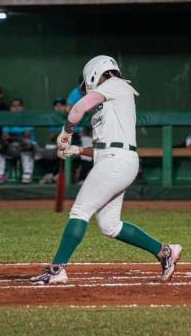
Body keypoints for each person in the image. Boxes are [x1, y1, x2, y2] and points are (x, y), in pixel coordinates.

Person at [30, 55, 182, 285]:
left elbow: (78, 109)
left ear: (95, 73)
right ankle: (165, 252)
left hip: (116, 162)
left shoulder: (115, 85)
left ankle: (57, 268)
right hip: (115, 159)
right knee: (110, 225)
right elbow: (106, 146)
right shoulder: (114, 98)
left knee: (80, 211)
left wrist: (66, 132)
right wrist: (76, 150)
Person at [0, 98, 36, 184]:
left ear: (23, 108)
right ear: (10, 109)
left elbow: (26, 135)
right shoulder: (8, 119)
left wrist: (11, 136)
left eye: (18, 106)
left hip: (28, 148)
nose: (16, 108)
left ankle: (27, 173)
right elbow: (4, 136)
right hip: (11, 147)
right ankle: (0, 174)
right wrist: (18, 136)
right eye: (14, 106)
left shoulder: (28, 119)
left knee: (26, 143)